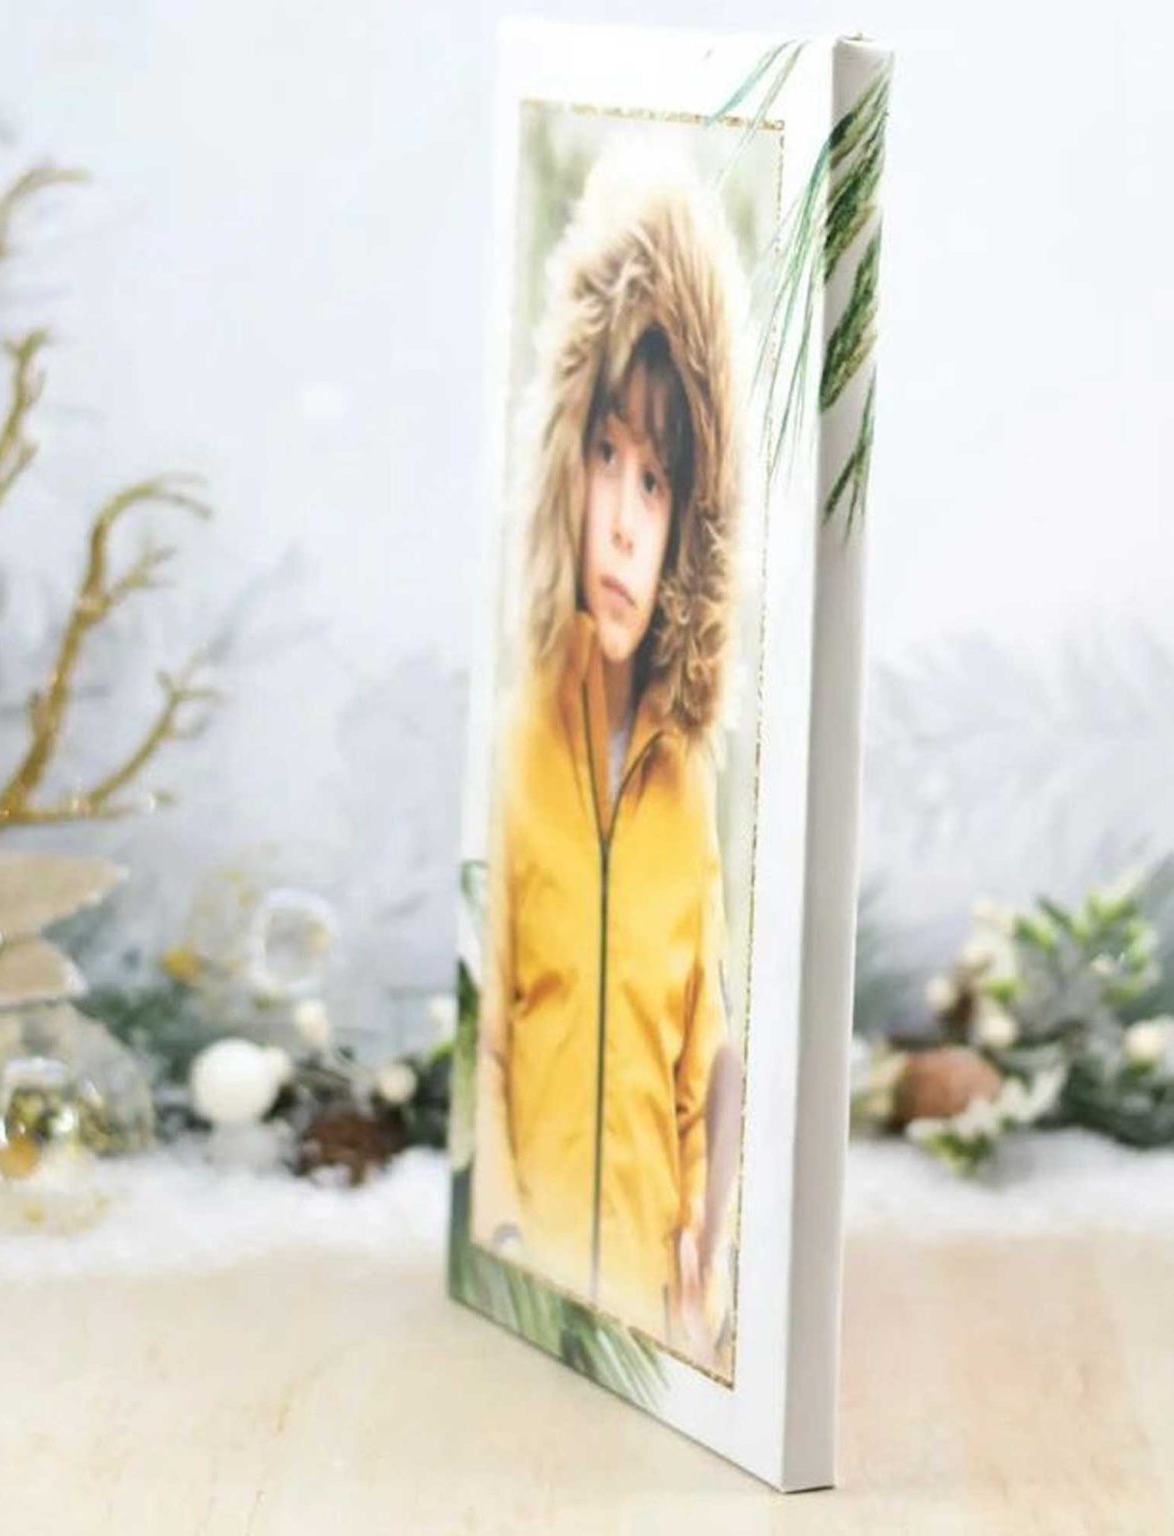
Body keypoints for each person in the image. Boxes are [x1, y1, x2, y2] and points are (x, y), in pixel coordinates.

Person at [473, 147, 745, 1361]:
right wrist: (502, 1238)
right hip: (523, 1301)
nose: (626, 522)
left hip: (646, 1328)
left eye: (657, 481)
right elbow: (487, 1032)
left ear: (690, 522)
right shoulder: (517, 735)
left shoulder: (689, 789)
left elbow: (703, 1070)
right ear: (565, 463)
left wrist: (706, 1270)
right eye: (607, 459)